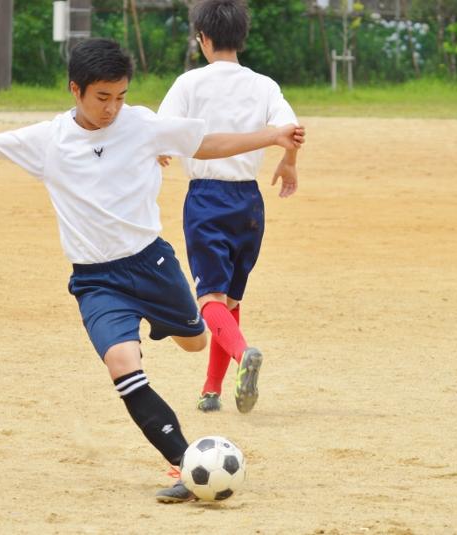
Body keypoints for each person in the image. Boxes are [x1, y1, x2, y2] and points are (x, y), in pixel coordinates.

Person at [0, 38, 304, 503]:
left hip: (152, 264)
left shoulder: (141, 124)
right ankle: (185, 462)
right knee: (123, 368)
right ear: (75, 89)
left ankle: (183, 331)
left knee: (195, 342)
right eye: (102, 97)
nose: (112, 108)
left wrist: (270, 136)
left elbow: (206, 142)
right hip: (97, 281)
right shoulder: (49, 140)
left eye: (121, 96)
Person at [157, 0, 300, 414]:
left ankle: (243, 355)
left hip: (207, 199)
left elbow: (162, 131)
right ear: (242, 37)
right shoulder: (264, 85)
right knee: (229, 302)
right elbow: (291, 130)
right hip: (250, 204)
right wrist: (289, 163)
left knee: (210, 299)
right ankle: (211, 389)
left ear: (202, 38)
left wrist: (161, 150)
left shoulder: (190, 83)